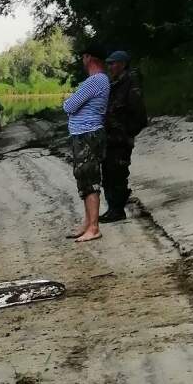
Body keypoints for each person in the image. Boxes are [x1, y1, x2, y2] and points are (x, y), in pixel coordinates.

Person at [62, 46, 109, 243]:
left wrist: (69, 100)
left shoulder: (95, 80)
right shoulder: (99, 80)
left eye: (83, 57)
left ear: (88, 58)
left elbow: (69, 106)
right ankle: (88, 223)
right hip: (84, 134)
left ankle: (94, 227)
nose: (82, 60)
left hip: (88, 135)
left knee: (89, 179)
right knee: (83, 178)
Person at [100, 50, 148, 222]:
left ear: (122, 64)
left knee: (118, 173)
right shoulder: (114, 84)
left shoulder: (130, 83)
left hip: (120, 140)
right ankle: (113, 208)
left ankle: (117, 210)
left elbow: (140, 116)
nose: (110, 67)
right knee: (107, 173)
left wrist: (127, 133)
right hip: (109, 138)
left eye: (113, 63)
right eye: (109, 63)